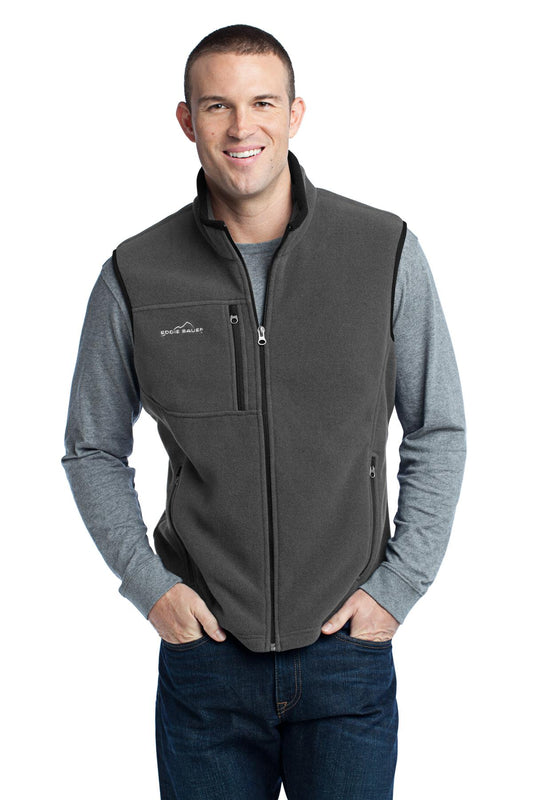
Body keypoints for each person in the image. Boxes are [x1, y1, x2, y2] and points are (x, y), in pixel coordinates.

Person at [61, 23, 466, 800]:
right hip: (206, 659)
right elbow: (92, 448)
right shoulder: (135, 273)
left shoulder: (382, 249)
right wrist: (149, 585)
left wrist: (398, 586)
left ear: (294, 114)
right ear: (187, 120)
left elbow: (436, 426)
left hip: (345, 653)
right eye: (217, 105)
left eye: (262, 103)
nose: (240, 127)